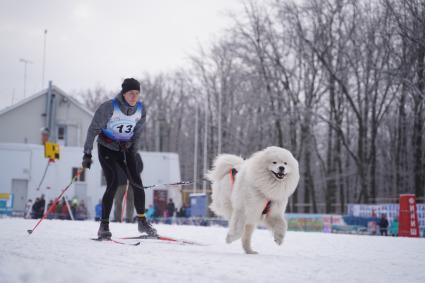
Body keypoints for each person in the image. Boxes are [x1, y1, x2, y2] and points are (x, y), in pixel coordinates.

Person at [82, 78, 157, 239]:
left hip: (126, 149)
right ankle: (104, 225)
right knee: (114, 182)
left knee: (137, 183)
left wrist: (133, 153)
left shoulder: (141, 110)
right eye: (131, 93)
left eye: (137, 93)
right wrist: (87, 153)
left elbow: (136, 134)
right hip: (107, 148)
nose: (134, 96)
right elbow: (93, 129)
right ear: (124, 93)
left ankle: (142, 222)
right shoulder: (109, 107)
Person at [113, 153, 143, 223]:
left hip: (132, 183)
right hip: (121, 182)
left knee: (131, 201)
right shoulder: (118, 154)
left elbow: (140, 167)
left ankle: (129, 218)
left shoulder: (136, 155)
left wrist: (133, 173)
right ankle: (117, 218)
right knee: (117, 200)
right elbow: (115, 167)